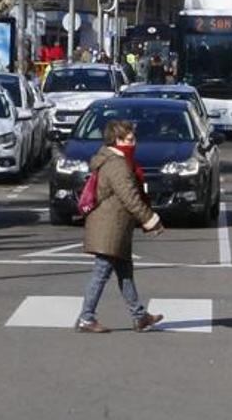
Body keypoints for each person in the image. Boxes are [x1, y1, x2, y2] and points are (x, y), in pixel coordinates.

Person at [75, 120, 165, 333]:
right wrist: (150, 219)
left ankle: (139, 316)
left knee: (125, 273)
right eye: (129, 140)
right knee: (101, 273)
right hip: (109, 227)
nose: (134, 143)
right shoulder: (117, 164)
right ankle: (86, 318)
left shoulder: (115, 160)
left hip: (114, 226)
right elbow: (130, 197)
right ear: (117, 140)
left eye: (134, 139)